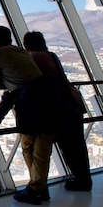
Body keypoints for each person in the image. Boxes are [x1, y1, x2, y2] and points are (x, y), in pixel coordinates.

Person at [0, 25, 56, 205]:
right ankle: (39, 186)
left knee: (27, 146)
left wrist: (2, 83)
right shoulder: (22, 52)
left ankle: (35, 188)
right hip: (47, 101)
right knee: (42, 149)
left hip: (28, 105)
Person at [22, 31, 92, 192]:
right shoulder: (50, 55)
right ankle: (83, 179)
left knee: (62, 147)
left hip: (59, 107)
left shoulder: (35, 58)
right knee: (75, 145)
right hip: (71, 102)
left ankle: (39, 184)